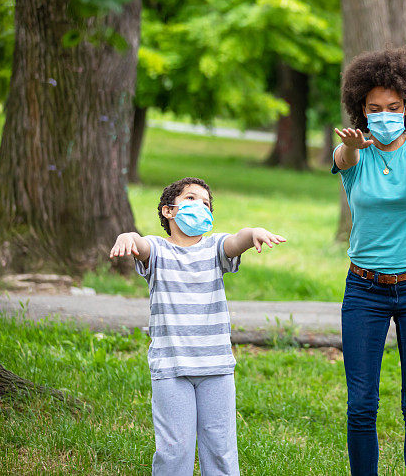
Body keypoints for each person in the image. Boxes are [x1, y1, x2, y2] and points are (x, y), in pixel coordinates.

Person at [110, 177, 285, 476]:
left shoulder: (215, 248)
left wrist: (253, 232)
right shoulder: (158, 249)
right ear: (169, 211)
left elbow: (236, 240)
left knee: (221, 449)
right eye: (191, 199)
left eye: (206, 203)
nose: (201, 206)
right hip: (171, 368)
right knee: (174, 449)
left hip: (216, 367)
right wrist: (128, 235)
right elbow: (141, 247)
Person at [332, 47, 406, 476]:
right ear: (361, 109)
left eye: (393, 107)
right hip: (364, 290)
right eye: (374, 108)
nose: (384, 114)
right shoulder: (352, 153)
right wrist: (349, 149)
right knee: (361, 404)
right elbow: (345, 160)